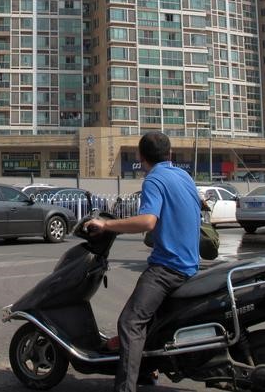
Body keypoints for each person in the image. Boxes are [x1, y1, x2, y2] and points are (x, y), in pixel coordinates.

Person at [85, 131, 200, 392]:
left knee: (130, 322)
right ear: (169, 154)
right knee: (151, 322)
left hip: (168, 268)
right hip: (190, 264)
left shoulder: (154, 180)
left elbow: (147, 221)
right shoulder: (183, 176)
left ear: (140, 157)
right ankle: (147, 372)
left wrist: (106, 225)